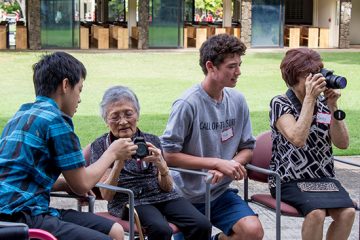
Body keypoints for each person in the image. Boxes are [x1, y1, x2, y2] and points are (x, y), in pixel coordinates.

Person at [0, 52, 132, 240]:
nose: (79, 99)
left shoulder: (20, 116)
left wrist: (63, 184)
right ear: (65, 85)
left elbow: (21, 176)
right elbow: (82, 185)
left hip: (13, 211)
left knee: (115, 230)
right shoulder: (57, 121)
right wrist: (112, 153)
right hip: (24, 215)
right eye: (79, 89)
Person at [161, 34, 264, 240]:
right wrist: (217, 163)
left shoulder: (238, 100)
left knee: (253, 232)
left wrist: (231, 164)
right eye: (232, 66)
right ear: (211, 66)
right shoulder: (187, 104)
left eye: (239, 65)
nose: (239, 72)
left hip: (219, 193)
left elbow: (248, 148)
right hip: (185, 197)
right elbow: (169, 155)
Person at [87, 85, 212, 240]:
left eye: (128, 114)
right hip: (129, 199)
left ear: (137, 115)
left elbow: (167, 188)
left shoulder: (151, 140)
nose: (123, 121)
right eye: (115, 116)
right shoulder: (101, 146)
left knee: (202, 224)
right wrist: (118, 163)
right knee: (160, 229)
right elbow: (107, 195)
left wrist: (162, 166)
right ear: (106, 120)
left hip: (163, 197)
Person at [269, 48, 355, 239]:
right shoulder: (280, 103)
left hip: (323, 178)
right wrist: (309, 99)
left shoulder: (323, 104)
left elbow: (343, 144)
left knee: (348, 213)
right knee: (316, 213)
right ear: (293, 77)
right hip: (289, 179)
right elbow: (297, 139)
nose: (315, 80)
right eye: (308, 75)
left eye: (317, 74)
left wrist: (333, 106)